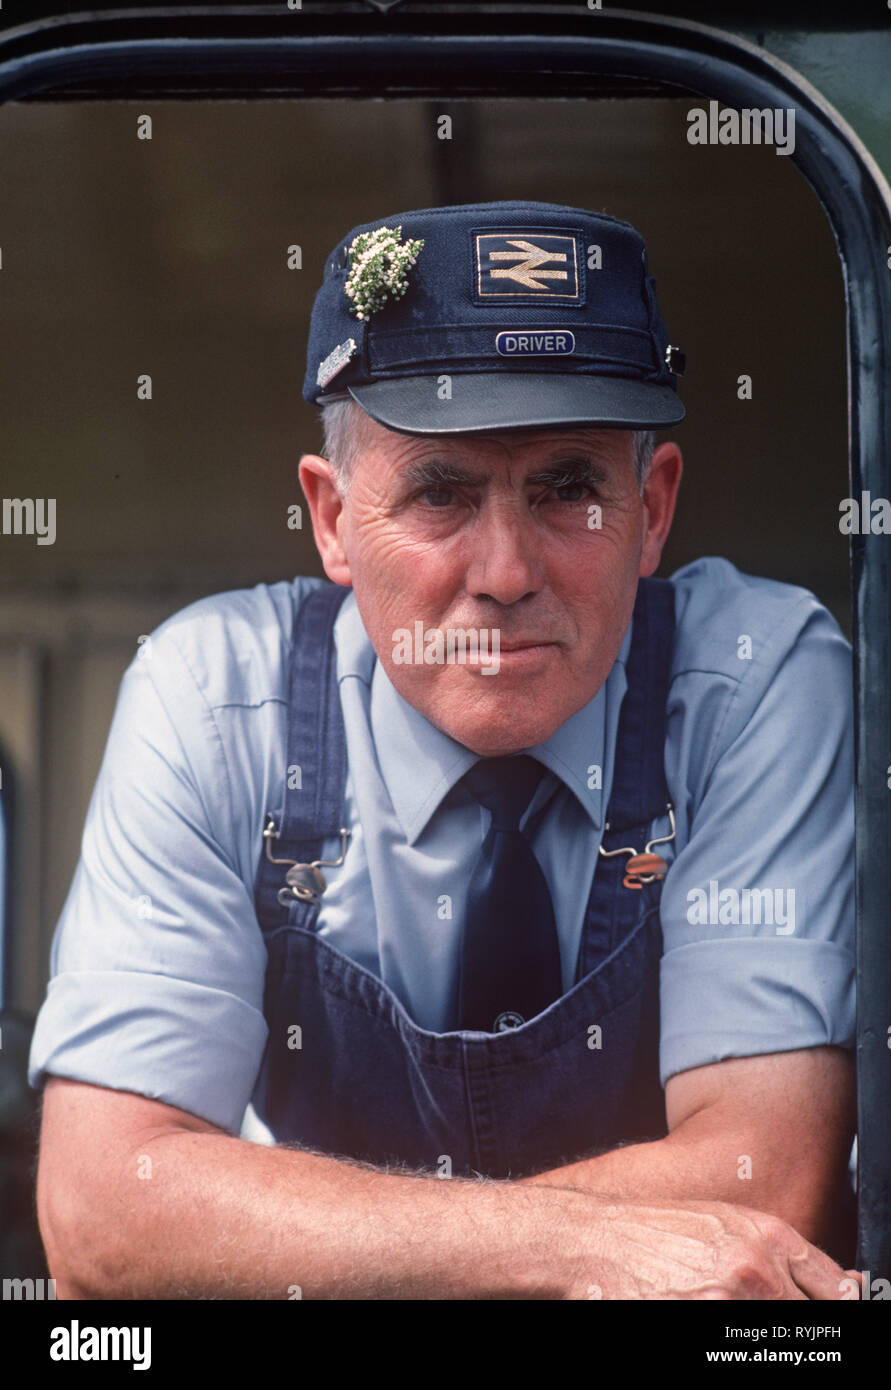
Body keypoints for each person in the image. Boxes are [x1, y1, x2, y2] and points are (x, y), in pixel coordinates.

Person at [30, 201, 857, 1300]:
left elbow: (765, 1182)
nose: (506, 570)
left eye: (568, 487)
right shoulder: (211, 699)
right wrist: (583, 1247)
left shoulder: (754, 676)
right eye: (440, 491)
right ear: (330, 522)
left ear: (654, 511)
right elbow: (102, 1212)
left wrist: (290, 1235)